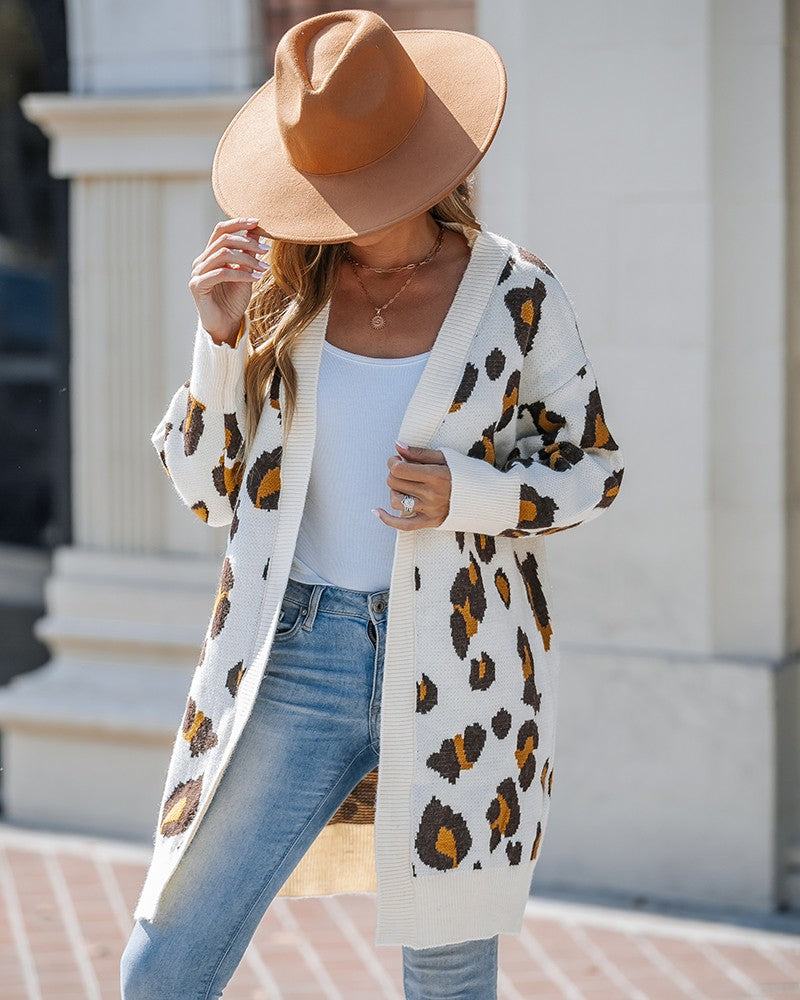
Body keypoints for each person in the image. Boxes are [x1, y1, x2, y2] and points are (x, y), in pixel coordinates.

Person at [120, 8, 625, 999]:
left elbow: (593, 468)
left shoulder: (515, 295)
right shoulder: (280, 290)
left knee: (447, 973)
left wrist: (468, 493)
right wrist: (217, 342)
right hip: (292, 655)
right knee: (168, 950)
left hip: (463, 663)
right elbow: (207, 492)